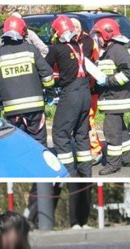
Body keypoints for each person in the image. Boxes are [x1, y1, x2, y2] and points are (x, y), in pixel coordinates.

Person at [0, 16, 54, 147]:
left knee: (18, 144)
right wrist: (50, 93)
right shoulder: (31, 50)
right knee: (39, 143)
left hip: (12, 111)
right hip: (35, 109)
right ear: (23, 32)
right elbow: (47, 75)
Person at [45, 16, 92, 177]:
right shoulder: (78, 46)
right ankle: (86, 172)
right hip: (85, 92)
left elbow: (44, 68)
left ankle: (69, 172)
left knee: (60, 133)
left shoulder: (56, 49)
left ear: (57, 32)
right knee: (81, 133)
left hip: (71, 94)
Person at [91, 19, 130, 176]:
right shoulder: (110, 50)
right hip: (114, 97)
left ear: (107, 34)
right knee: (121, 130)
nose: (97, 39)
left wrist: (107, 81)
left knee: (111, 132)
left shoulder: (117, 50)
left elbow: (129, 73)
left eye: (98, 35)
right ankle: (127, 159)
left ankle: (113, 164)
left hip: (116, 98)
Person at [70, 17, 103, 166]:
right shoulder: (67, 41)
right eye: (72, 27)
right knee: (80, 123)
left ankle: (95, 150)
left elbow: (95, 62)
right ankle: (85, 150)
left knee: (88, 121)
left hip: (90, 89)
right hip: (76, 90)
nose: (74, 29)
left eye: (77, 27)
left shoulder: (88, 41)